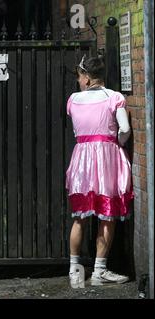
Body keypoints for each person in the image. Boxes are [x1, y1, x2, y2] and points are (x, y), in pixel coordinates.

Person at [66, 55, 134, 288]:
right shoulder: (114, 97)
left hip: (82, 159)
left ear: (86, 77)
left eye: (79, 76)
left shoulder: (73, 99)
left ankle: (75, 273)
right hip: (107, 159)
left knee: (80, 217)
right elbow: (124, 128)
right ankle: (99, 272)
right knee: (107, 216)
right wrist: (119, 143)